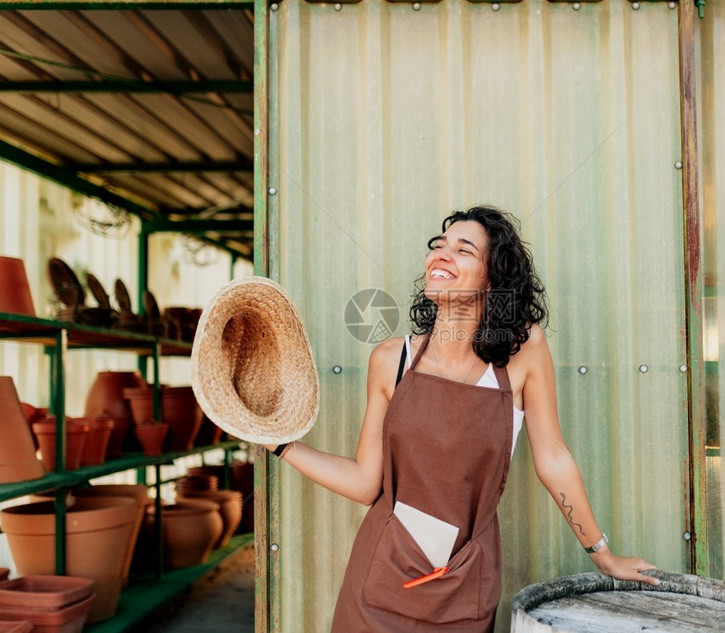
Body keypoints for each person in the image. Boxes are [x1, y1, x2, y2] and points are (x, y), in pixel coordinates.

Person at [265, 205, 658, 632]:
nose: (441, 255)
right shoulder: (390, 361)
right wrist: (282, 444)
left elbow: (554, 459)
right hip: (378, 584)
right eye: (439, 246)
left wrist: (602, 554)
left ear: (492, 277)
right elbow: (365, 483)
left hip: (465, 583)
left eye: (463, 249)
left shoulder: (523, 352)